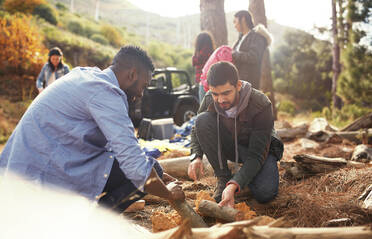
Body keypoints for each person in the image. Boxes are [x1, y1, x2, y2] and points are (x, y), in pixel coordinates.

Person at [0, 46, 184, 212]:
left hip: (25, 166)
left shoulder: (85, 75)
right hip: (39, 176)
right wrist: (167, 193)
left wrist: (155, 172)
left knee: (153, 168)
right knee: (148, 172)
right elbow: (134, 164)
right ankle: (94, 224)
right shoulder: (106, 93)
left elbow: (118, 146)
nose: (140, 94)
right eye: (143, 86)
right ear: (132, 74)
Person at [188, 61, 283, 208]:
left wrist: (234, 184)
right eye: (215, 94)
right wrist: (196, 156)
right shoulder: (209, 98)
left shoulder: (261, 104)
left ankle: (241, 177)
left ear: (238, 86)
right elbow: (196, 129)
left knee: (265, 193)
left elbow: (256, 155)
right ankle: (223, 176)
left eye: (226, 93)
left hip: (259, 150)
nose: (221, 100)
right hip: (231, 145)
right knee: (202, 119)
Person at [232, 10, 272, 90]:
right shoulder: (241, 37)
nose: (234, 25)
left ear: (243, 19)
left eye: (235, 22)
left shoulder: (257, 37)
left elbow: (254, 57)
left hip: (249, 82)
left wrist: (234, 54)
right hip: (237, 81)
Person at [192, 31, 215, 101]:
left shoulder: (203, 51)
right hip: (209, 80)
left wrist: (195, 54)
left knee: (203, 105)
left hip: (203, 81)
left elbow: (194, 61)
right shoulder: (211, 51)